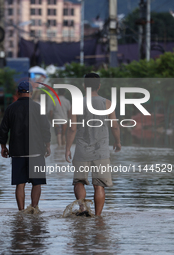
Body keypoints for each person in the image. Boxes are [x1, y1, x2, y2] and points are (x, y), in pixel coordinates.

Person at [65, 73, 121, 216]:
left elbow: (72, 128)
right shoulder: (107, 103)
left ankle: (82, 209)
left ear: (84, 86)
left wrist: (67, 149)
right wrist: (118, 141)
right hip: (101, 150)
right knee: (99, 185)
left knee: (79, 181)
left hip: (82, 149)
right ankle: (97, 217)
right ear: (99, 86)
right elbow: (114, 126)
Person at [0, 81, 51, 213]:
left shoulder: (11, 108)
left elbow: (3, 129)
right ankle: (34, 209)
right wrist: (48, 145)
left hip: (17, 152)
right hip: (36, 151)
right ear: (31, 93)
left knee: (20, 184)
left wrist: (3, 146)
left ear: (17, 93)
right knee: (37, 183)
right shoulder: (38, 108)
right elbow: (46, 128)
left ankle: (21, 212)